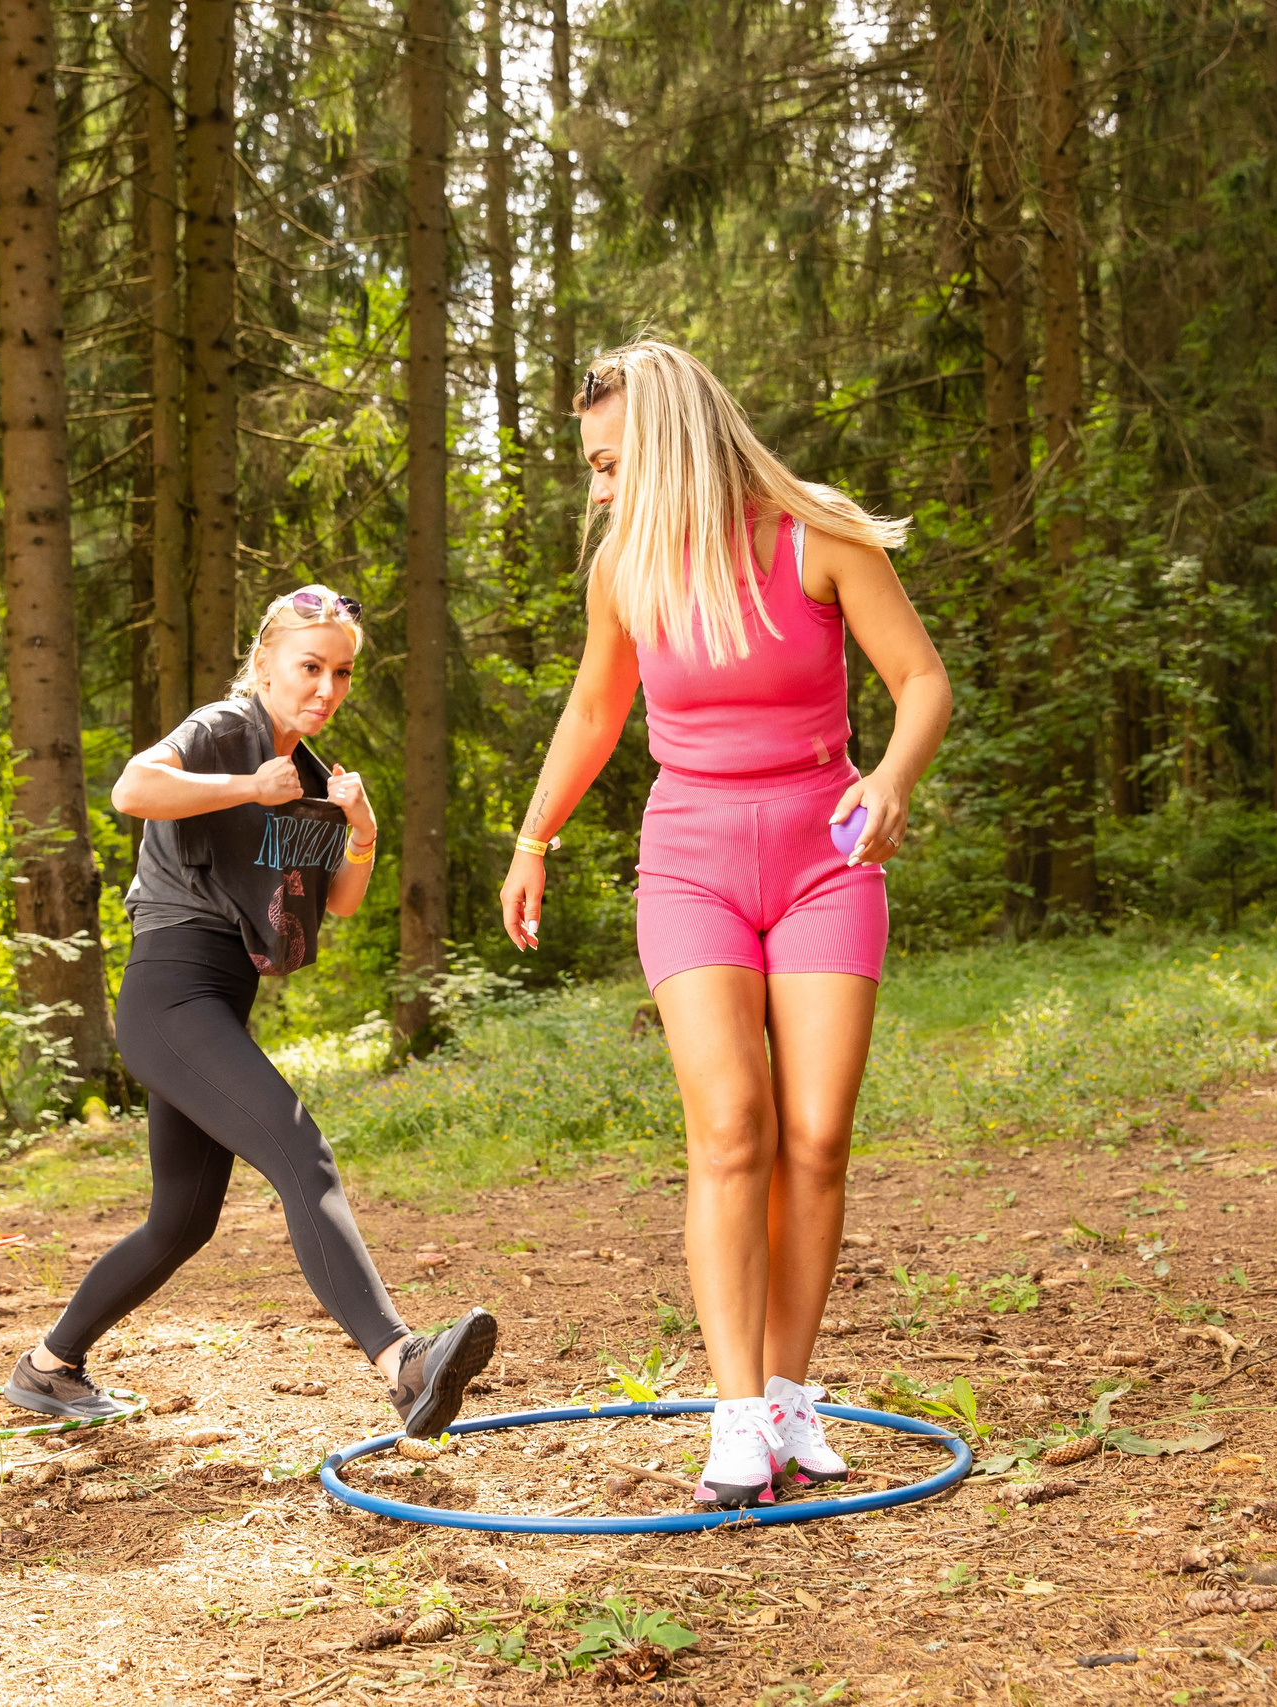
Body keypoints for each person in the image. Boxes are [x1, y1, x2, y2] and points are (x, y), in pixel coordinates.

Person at [501, 342, 951, 1507]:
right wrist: (532, 838)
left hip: (825, 859)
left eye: (608, 464)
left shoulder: (820, 538)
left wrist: (893, 775)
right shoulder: (625, 570)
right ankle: (736, 1414)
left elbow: (923, 683)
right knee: (731, 1125)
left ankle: (794, 1400)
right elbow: (596, 709)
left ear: (664, 442)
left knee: (815, 1137)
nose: (597, 490)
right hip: (691, 863)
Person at [3, 588, 499, 1440]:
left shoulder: (311, 774)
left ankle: (49, 1366)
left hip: (218, 1000)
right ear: (265, 659)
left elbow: (338, 902)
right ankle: (402, 1362)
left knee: (182, 1218)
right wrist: (245, 784)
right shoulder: (221, 727)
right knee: (300, 1153)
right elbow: (132, 787)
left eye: (340, 672)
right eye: (309, 666)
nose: (326, 686)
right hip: (170, 990)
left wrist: (363, 829)